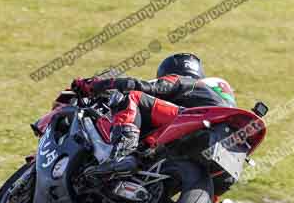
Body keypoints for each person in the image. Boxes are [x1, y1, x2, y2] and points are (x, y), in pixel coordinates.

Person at [71, 53, 236, 176]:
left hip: (191, 118)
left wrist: (98, 85)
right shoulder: (207, 91)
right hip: (205, 138)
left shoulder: (180, 80)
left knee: (132, 96)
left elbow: (140, 87)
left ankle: (122, 155)